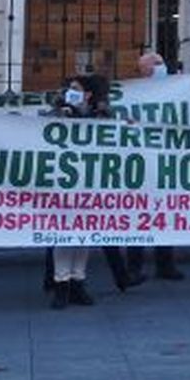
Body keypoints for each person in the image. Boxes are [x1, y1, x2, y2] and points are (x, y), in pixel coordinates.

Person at [40, 74, 114, 308]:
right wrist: (64, 114)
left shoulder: (101, 115)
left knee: (83, 235)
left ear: (88, 94)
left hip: (89, 184)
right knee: (63, 235)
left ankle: (78, 282)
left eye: (75, 88)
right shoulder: (58, 111)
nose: (68, 91)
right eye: (68, 88)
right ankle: (61, 285)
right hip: (63, 184)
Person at [132, 51, 184, 282]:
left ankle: (166, 264)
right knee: (136, 217)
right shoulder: (133, 91)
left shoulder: (178, 87)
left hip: (166, 162)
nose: (155, 70)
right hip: (140, 163)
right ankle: (134, 267)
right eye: (148, 69)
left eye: (158, 65)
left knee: (165, 214)